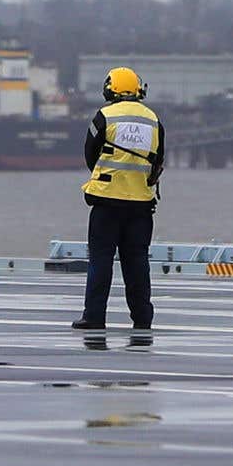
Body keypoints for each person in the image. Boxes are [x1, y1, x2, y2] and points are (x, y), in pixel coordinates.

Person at [73, 66, 164, 333]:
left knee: (101, 260)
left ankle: (94, 317)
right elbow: (158, 160)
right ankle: (142, 318)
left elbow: (90, 153)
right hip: (141, 206)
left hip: (107, 203)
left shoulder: (104, 116)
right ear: (138, 89)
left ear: (109, 88)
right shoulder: (153, 120)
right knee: (137, 262)